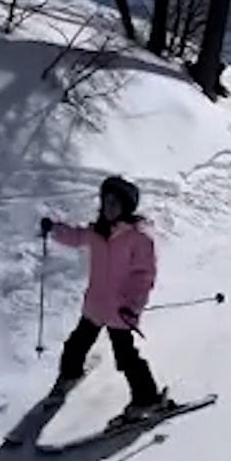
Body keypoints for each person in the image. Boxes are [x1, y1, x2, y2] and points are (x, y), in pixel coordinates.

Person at [41, 176, 171, 429]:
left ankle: (147, 399)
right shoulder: (96, 232)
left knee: (126, 357)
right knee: (76, 344)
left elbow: (144, 276)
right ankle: (70, 374)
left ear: (126, 206)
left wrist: (133, 305)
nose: (109, 207)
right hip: (95, 305)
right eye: (106, 201)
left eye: (115, 203)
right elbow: (75, 236)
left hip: (121, 311)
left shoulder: (138, 238)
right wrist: (54, 229)